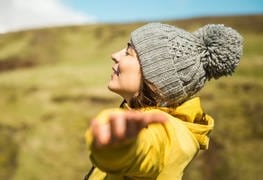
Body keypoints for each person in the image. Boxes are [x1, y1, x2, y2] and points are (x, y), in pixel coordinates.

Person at [84, 23, 243, 180]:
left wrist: (120, 147)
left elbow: (148, 149)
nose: (115, 55)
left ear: (156, 77)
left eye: (128, 52)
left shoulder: (168, 133)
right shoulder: (147, 118)